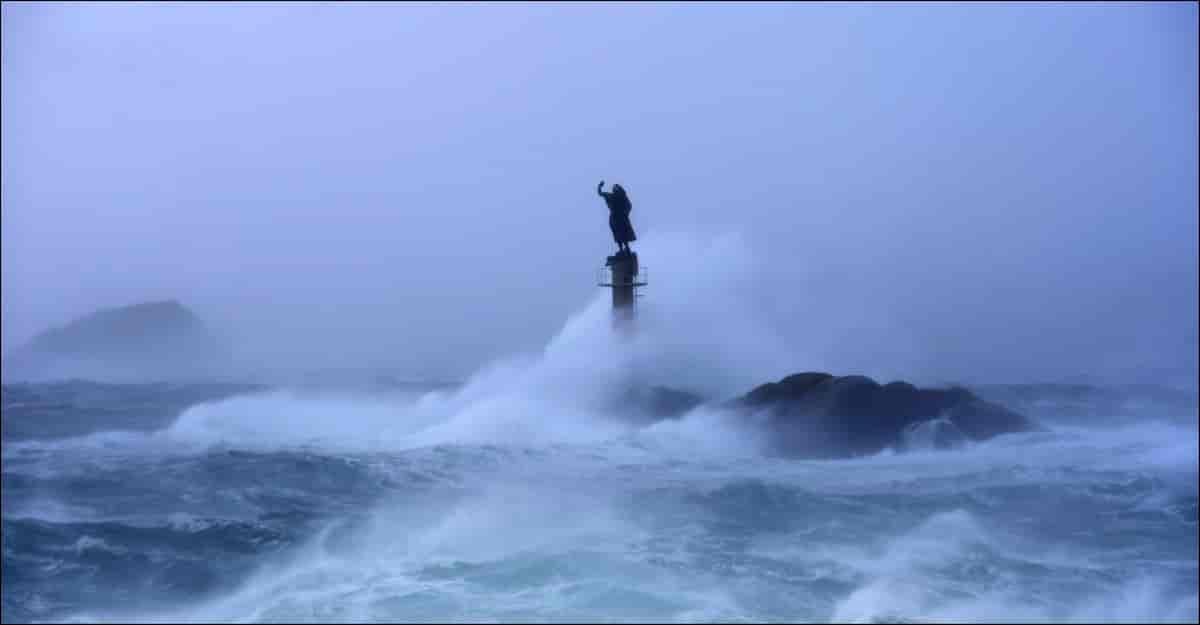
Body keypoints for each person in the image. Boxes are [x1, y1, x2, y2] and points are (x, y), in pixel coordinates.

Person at [597, 180, 637, 254]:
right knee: (617, 234)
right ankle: (621, 249)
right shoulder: (610, 196)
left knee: (624, 233)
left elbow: (629, 206)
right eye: (614, 188)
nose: (615, 189)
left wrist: (625, 213)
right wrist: (600, 186)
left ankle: (627, 248)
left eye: (616, 188)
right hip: (614, 218)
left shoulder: (622, 197)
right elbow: (600, 193)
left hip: (621, 218)